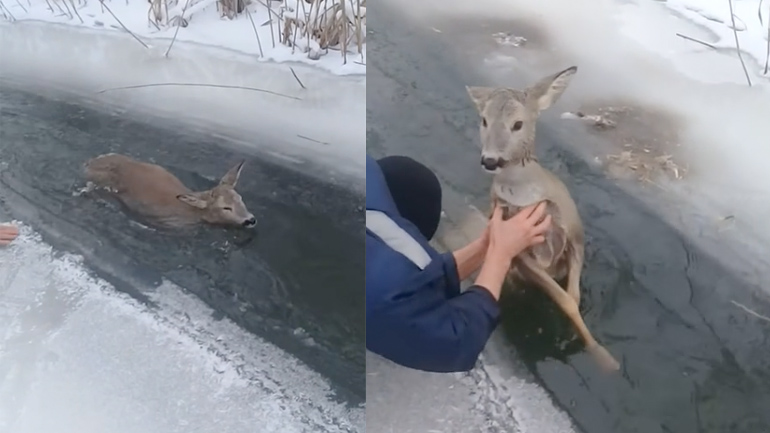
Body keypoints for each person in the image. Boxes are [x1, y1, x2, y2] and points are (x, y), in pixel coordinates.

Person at [366, 154, 552, 372]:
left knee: (410, 182)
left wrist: (486, 246)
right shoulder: (377, 289)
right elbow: (457, 343)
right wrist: (501, 255)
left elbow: (419, 279)